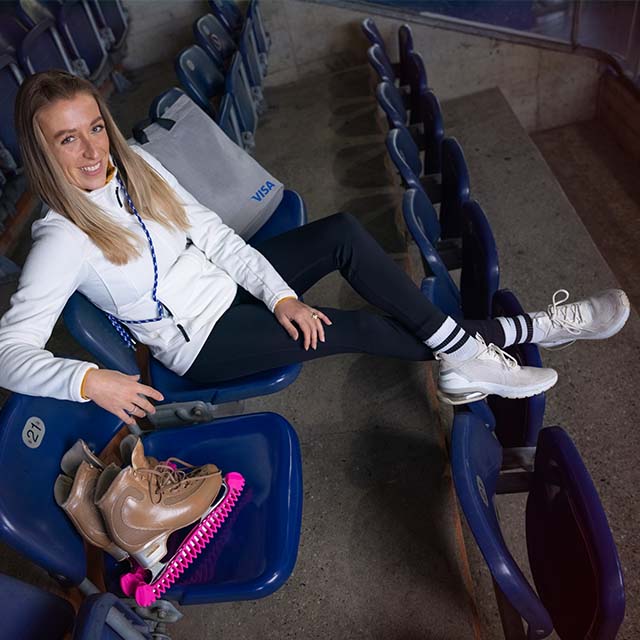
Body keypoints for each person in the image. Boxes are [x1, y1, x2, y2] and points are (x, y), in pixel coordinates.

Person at [0, 71, 630, 425]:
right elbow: (9, 354)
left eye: (93, 130)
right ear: (43, 152)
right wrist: (89, 380)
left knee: (344, 234)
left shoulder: (133, 164)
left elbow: (215, 235)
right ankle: (531, 328)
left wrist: (277, 295)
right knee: (350, 325)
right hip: (202, 342)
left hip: (233, 291)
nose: (91, 152)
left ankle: (467, 356)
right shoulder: (62, 240)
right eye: (66, 141)